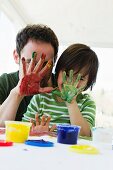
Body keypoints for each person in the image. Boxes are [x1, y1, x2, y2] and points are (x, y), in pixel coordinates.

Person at [22, 43, 99, 137]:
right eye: (67, 74)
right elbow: (23, 128)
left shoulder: (86, 103)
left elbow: (85, 135)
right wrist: (37, 133)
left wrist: (71, 102)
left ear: (89, 83)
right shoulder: (41, 98)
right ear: (57, 71)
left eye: (81, 78)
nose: (71, 83)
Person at [0, 24, 59, 127]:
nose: (38, 71)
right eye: (31, 62)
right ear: (16, 56)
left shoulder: (62, 87)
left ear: (55, 60)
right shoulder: (5, 82)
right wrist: (18, 93)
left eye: (46, 64)